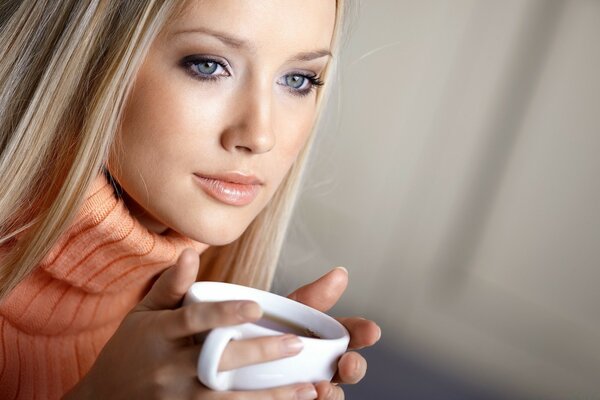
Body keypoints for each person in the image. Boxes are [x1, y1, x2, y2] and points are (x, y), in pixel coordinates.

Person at [0, 0, 381, 399]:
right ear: (88, 57)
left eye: (298, 80)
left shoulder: (208, 309)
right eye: (208, 65)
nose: (260, 136)